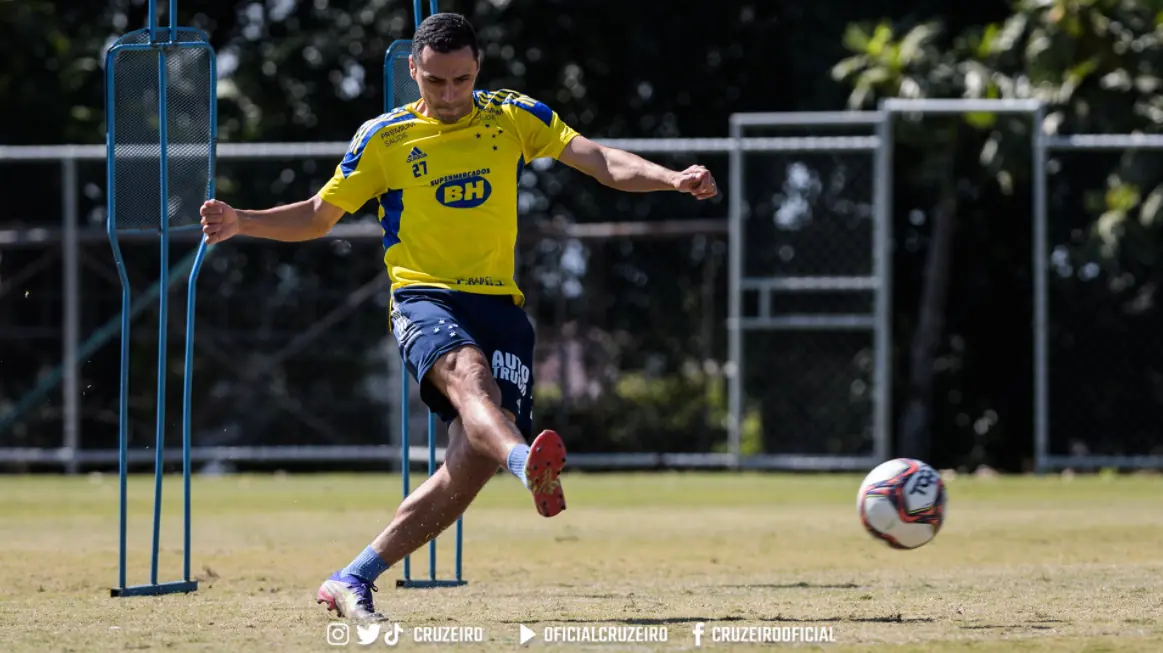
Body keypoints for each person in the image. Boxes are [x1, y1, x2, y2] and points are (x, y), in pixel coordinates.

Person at [199, 12, 718, 621]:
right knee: (470, 377)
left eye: (461, 80)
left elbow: (597, 158)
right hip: (424, 297)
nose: (448, 96)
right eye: (436, 81)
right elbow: (318, 214)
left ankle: (352, 577)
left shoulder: (511, 117)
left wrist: (673, 179)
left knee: (465, 469)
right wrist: (243, 222)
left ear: (478, 70)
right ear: (413, 68)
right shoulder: (384, 138)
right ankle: (527, 461)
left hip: (500, 305)